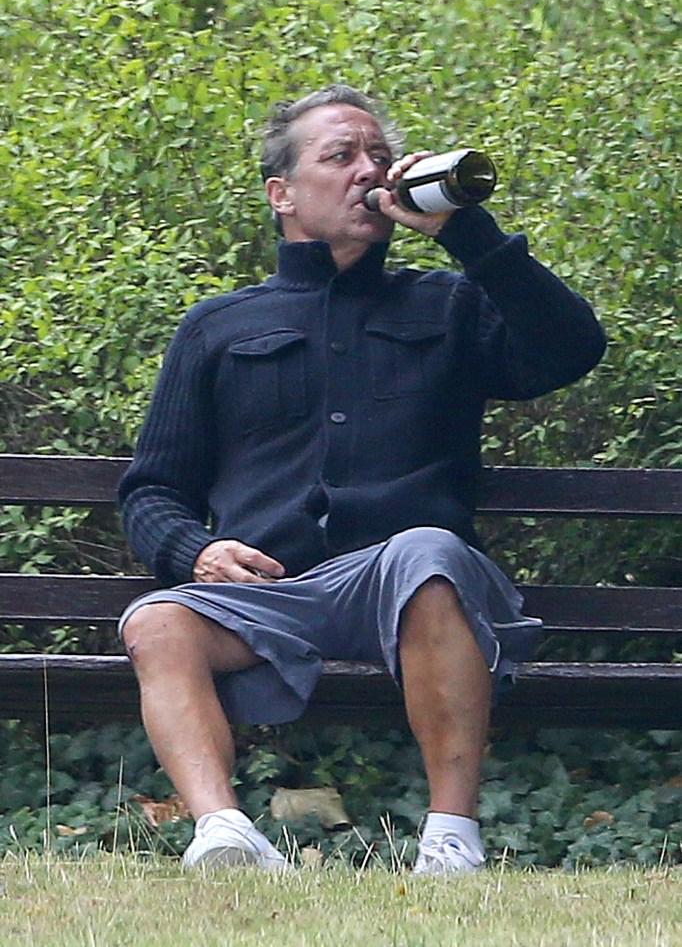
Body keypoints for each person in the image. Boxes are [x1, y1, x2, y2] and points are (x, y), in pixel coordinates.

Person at [118, 84, 606, 875]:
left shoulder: (450, 303)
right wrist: (197, 553)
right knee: (157, 621)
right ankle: (224, 834)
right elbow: (151, 490)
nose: (368, 169)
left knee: (427, 551)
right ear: (283, 194)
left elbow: (572, 348)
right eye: (340, 155)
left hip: (406, 581)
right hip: (265, 594)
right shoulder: (218, 326)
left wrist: (468, 234)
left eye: (377, 155)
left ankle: (451, 839)